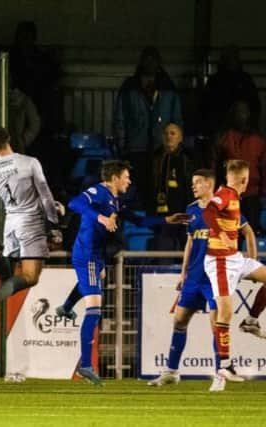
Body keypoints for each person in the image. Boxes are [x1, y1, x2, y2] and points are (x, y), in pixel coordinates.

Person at [62, 160, 188, 385]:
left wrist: (167, 220)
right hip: (87, 254)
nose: (129, 180)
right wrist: (99, 217)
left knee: (93, 287)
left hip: (96, 255)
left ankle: (65, 307)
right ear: (115, 178)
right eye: (126, 176)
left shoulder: (115, 200)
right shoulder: (99, 191)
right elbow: (74, 203)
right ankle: (85, 365)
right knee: (94, 308)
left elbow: (138, 219)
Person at [148, 169, 248, 386]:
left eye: (197, 183)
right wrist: (183, 273)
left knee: (216, 324)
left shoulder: (226, 205)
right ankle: (172, 372)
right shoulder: (191, 210)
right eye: (192, 183)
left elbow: (246, 231)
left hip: (216, 276)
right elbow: (190, 242)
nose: (193, 186)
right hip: (194, 277)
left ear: (208, 184)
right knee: (180, 320)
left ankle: (219, 375)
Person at [0, 126, 64, 327]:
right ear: (9, 138)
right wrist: (54, 222)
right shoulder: (29, 163)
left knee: (9, 280)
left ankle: (0, 253)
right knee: (30, 277)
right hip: (30, 222)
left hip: (11, 222)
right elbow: (45, 195)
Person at [201, 159, 266, 391]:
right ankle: (225, 366)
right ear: (244, 179)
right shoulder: (226, 194)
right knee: (225, 312)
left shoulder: (233, 197)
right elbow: (208, 210)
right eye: (248, 179)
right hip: (220, 261)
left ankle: (251, 320)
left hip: (235, 258)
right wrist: (221, 233)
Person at [114, 46, 182, 207]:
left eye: (154, 60)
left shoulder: (168, 88)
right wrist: (122, 145)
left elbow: (177, 119)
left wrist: (175, 145)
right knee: (137, 187)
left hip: (161, 147)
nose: (150, 63)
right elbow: (120, 117)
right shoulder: (129, 86)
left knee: (159, 187)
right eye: (147, 59)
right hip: (136, 147)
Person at [215, 100, 266, 233]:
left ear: (248, 114)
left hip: (252, 196)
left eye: (243, 112)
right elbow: (216, 167)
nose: (241, 115)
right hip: (229, 194)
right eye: (238, 112)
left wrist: (263, 193)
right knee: (230, 234)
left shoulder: (258, 139)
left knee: (251, 232)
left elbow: (264, 167)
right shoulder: (224, 138)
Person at [151, 123, 194, 249]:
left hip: (184, 210)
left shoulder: (188, 157)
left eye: (173, 133)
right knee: (164, 246)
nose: (169, 136)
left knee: (185, 247)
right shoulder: (155, 157)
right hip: (161, 213)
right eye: (166, 133)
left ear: (180, 138)